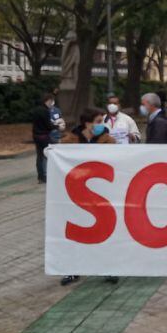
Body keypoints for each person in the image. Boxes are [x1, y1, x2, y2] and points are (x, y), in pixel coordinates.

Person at [58, 107, 116, 287]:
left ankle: (109, 268)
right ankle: (72, 269)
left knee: (105, 233)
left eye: (102, 121)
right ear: (87, 122)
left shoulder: (108, 140)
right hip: (76, 194)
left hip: (102, 193)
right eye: (98, 121)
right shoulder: (70, 140)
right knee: (75, 233)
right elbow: (60, 158)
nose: (102, 125)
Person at [32, 94, 58, 184]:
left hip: (36, 135)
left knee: (39, 156)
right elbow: (48, 125)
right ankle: (50, 174)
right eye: (51, 101)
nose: (52, 104)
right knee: (50, 154)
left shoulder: (36, 110)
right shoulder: (45, 111)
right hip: (44, 135)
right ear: (49, 100)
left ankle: (40, 176)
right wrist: (57, 126)